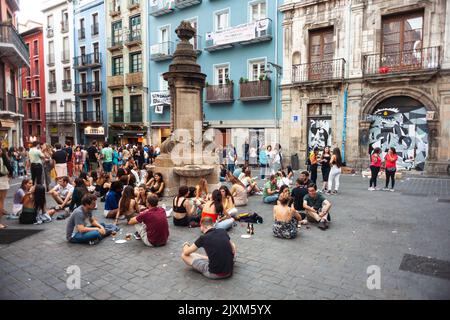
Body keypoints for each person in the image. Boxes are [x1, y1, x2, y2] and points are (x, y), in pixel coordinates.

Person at [0, 149, 13, 228]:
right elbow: (10, 168)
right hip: (2, 180)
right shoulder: (2, 158)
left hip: (3, 179)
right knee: (1, 201)